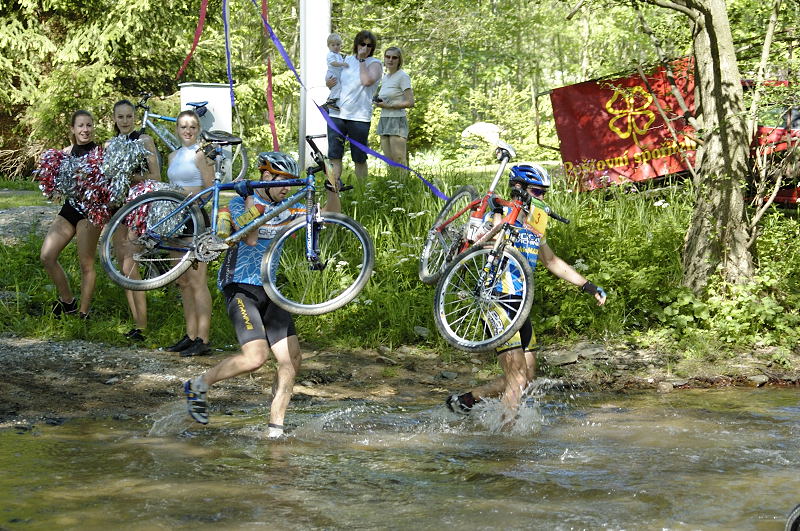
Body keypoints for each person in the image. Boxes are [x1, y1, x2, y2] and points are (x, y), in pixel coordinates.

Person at [444, 164, 607, 420]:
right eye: (536, 191)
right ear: (519, 189)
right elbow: (477, 244)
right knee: (517, 377)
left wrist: (587, 285)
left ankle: (467, 400)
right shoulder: (500, 214)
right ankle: (509, 441)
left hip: (521, 304)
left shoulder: (537, 220)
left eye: (545, 192)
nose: (542, 197)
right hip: (495, 299)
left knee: (528, 377)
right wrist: (494, 224)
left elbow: (551, 261)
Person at [184, 152, 305, 439]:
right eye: (280, 180)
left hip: (271, 290)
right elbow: (249, 237)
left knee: (292, 360)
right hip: (240, 287)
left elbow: (326, 217)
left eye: (290, 182)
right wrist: (256, 203)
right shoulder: (239, 202)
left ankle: (275, 429)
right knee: (255, 357)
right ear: (264, 177)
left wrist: (332, 187)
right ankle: (199, 384)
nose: (287, 187)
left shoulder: (291, 206)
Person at [38, 110, 104, 319]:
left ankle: (83, 313)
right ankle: (68, 302)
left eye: (89, 125)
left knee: (86, 263)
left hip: (91, 212)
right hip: (69, 210)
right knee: (47, 256)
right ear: (73, 129)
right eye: (81, 126)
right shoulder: (64, 153)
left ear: (93, 127)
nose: (85, 130)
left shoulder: (101, 153)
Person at [106, 99, 161, 342]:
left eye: (129, 116)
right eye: (121, 117)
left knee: (131, 263)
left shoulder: (144, 140)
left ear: (135, 118)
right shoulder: (109, 144)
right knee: (123, 266)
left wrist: (131, 176)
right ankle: (136, 322)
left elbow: (156, 175)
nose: (125, 121)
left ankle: (143, 324)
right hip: (116, 208)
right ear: (115, 119)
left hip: (137, 206)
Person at [164, 110, 214, 357]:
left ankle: (203, 338)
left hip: (194, 218)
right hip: (174, 220)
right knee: (181, 281)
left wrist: (188, 200)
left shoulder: (201, 154)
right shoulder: (173, 156)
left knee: (197, 281)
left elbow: (210, 189)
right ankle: (190, 334)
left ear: (198, 130)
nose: (188, 130)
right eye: (183, 126)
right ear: (177, 129)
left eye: (192, 126)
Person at [325, 30, 382, 188]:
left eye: (369, 45)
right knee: (334, 155)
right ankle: (333, 190)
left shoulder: (375, 63)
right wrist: (329, 83)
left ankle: (362, 193)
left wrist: (363, 60)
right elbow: (336, 80)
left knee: (359, 157)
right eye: (362, 44)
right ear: (356, 44)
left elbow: (366, 81)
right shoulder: (347, 59)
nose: (365, 47)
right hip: (337, 114)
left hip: (359, 117)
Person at [374, 46, 414, 167]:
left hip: (397, 120)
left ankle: (404, 184)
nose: (390, 60)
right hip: (384, 119)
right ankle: (393, 185)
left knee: (399, 158)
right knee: (389, 160)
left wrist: (389, 105)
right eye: (388, 56)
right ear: (384, 58)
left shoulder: (403, 76)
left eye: (394, 57)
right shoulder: (385, 78)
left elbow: (410, 102)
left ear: (399, 60)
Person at [324, 33, 347, 112]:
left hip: (337, 75)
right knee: (337, 87)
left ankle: (331, 99)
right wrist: (343, 64)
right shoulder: (330, 55)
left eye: (338, 44)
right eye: (333, 45)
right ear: (329, 46)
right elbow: (333, 63)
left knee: (338, 88)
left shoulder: (339, 55)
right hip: (332, 75)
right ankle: (331, 102)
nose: (336, 47)